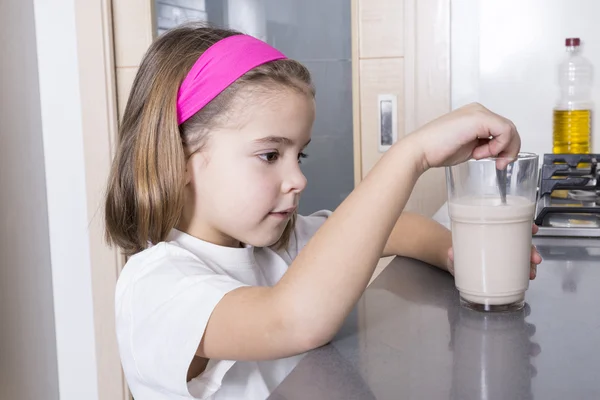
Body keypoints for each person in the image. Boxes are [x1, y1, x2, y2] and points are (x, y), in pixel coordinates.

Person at [104, 23, 542, 399]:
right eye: (271, 155)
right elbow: (291, 320)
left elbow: (395, 230)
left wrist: (456, 253)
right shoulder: (155, 288)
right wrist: (412, 155)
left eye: (301, 156)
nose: (298, 179)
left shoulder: (279, 245)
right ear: (180, 160)